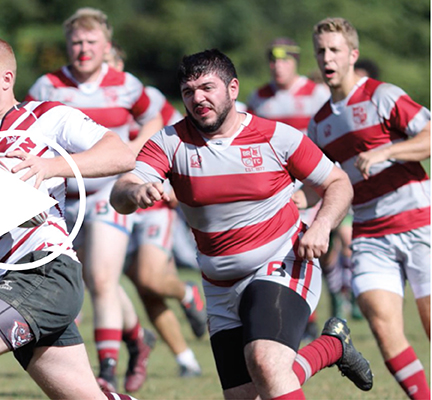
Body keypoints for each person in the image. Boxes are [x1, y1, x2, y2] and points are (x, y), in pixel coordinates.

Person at [110, 49, 373, 399]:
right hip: (219, 285)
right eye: (188, 91)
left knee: (266, 362)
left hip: (281, 262)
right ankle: (331, 347)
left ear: (233, 88)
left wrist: (321, 226)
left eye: (207, 88)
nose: (197, 98)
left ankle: (328, 346)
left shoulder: (276, 137)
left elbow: (338, 182)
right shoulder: (170, 142)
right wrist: (136, 191)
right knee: (248, 392)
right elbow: (120, 192)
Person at [0, 35, 138, 400]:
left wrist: (52, 166)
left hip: (47, 271)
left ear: (6, 79)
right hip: (7, 280)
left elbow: (121, 154)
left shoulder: (49, 118)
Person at [25, 8, 162, 392]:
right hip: (63, 198)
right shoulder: (47, 86)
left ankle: (106, 373)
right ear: (67, 46)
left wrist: (132, 149)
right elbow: (22, 129)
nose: (83, 49)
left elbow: (157, 116)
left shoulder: (127, 85)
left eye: (91, 42)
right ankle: (136, 339)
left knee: (102, 278)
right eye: (76, 43)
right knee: (92, 279)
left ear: (106, 46)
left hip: (109, 192)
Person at [309, 17, 431, 399]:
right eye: (321, 51)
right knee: (381, 324)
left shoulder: (383, 95)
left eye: (334, 50)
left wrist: (388, 151)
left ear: (352, 55)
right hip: (370, 232)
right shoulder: (320, 124)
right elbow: (318, 186)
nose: (326, 57)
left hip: (418, 222)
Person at [105, 44, 204, 378]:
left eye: (110, 63)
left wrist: (177, 184)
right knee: (146, 291)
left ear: (121, 64)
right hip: (111, 207)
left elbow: (183, 137)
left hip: (152, 203)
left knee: (150, 278)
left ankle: (187, 292)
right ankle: (186, 359)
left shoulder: (146, 98)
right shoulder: (84, 101)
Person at [246, 37, 332, 340]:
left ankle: (333, 300)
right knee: (292, 246)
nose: (277, 66)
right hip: (275, 187)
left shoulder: (318, 94)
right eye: (272, 60)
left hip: (311, 182)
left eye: (284, 60)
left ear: (295, 61)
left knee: (320, 248)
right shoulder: (259, 99)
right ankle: (306, 316)